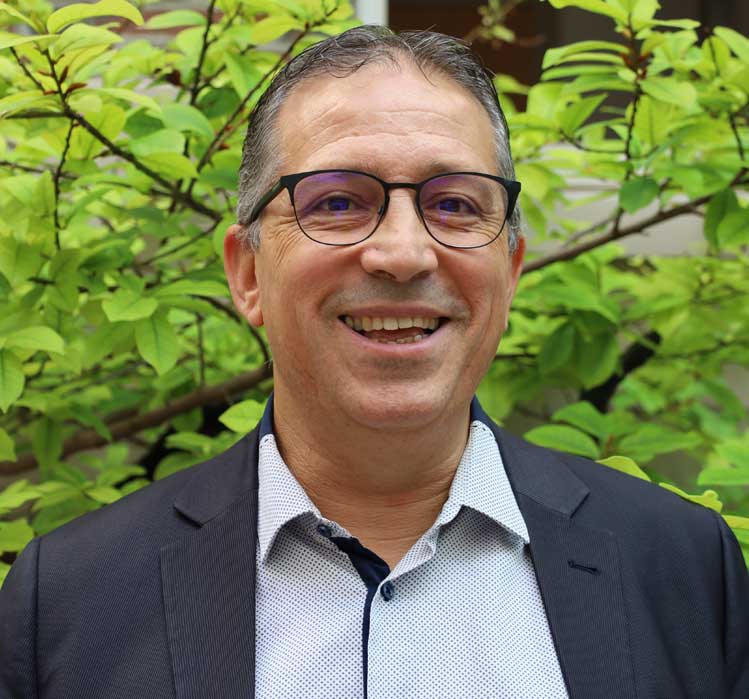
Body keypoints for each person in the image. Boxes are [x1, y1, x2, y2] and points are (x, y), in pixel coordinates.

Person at [2, 24, 747, 699]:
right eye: (336, 202)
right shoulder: (67, 599)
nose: (402, 252)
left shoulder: (683, 568)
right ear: (248, 273)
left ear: (511, 270)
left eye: (455, 204)